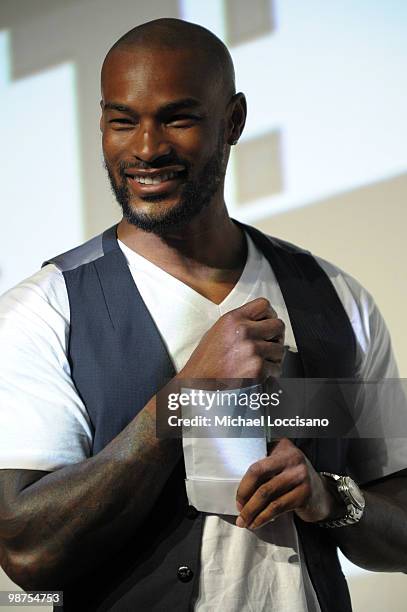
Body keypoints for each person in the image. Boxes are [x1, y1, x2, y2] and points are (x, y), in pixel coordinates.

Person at [0, 17, 406, 612]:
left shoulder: (337, 300)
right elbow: (29, 554)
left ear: (234, 121)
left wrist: (329, 496)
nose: (145, 147)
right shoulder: (43, 311)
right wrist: (187, 397)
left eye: (177, 117)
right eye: (122, 120)